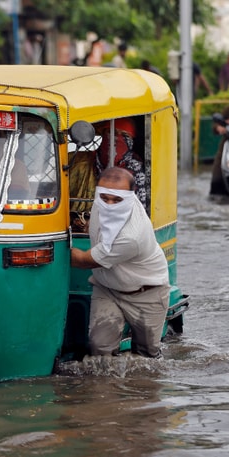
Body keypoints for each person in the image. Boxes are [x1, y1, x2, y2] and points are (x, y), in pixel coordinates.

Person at [70, 166, 170, 359]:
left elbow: (82, 261)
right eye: (104, 198)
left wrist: (48, 248)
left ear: (131, 198)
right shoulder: (100, 203)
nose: (109, 205)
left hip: (147, 292)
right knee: (99, 350)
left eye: (117, 200)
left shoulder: (132, 236)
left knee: (146, 357)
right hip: (107, 288)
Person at [95, 118, 147, 204]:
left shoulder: (136, 169)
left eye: (124, 135)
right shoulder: (86, 163)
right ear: (104, 134)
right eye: (113, 133)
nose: (117, 138)